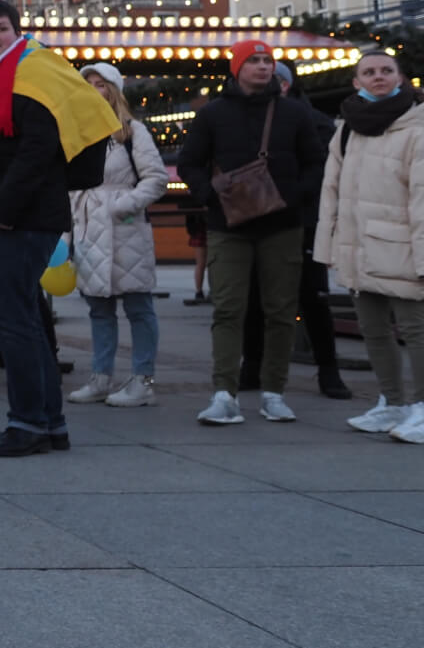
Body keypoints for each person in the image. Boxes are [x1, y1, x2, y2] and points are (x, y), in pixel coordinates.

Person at [0, 0, 119, 457]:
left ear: (16, 33)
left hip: (21, 221)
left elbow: (38, 152)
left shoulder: (33, 75)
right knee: (24, 321)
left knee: (14, 325)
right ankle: (49, 423)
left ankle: (27, 424)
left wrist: (1, 211)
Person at [178, 40, 329, 427]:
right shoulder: (213, 114)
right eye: (254, 61)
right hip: (228, 225)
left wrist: (292, 195)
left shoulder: (295, 113)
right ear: (237, 67)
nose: (263, 67)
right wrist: (209, 193)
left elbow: (317, 163)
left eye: (268, 61)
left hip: (282, 224)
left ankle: (274, 393)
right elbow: (190, 162)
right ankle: (224, 394)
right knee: (229, 307)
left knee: (281, 310)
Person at [314, 51, 424, 441]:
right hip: (358, 246)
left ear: (401, 78)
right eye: (369, 72)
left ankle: (422, 408)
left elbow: (422, 198)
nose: (378, 77)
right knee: (373, 330)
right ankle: (392, 403)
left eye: (386, 71)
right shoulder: (347, 128)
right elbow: (331, 191)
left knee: (416, 330)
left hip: (403, 248)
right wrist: (326, 247)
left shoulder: (417, 126)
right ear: (357, 82)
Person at [236, 62, 352, 400]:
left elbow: (323, 171)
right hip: (258, 219)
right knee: (255, 298)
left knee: (312, 298)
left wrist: (294, 197)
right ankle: (252, 365)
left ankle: (328, 370)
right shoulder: (246, 116)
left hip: (302, 221)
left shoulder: (311, 120)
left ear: (285, 85)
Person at [64, 63, 168, 409]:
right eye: (89, 84)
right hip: (88, 230)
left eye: (102, 84)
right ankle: (101, 377)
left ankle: (144, 379)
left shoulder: (132, 132)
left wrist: (123, 205)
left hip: (125, 230)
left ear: (114, 90)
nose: (95, 90)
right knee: (99, 310)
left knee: (139, 306)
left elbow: (155, 177)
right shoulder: (78, 134)